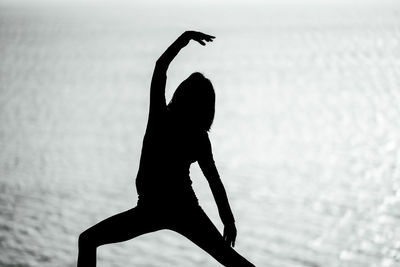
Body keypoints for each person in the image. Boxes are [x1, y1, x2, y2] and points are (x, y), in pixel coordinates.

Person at [77, 31, 255, 267]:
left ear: (180, 94)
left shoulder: (161, 117)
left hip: (156, 208)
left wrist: (185, 38)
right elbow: (214, 181)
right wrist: (228, 221)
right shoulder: (198, 136)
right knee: (230, 260)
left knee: (87, 240)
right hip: (178, 209)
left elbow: (161, 66)